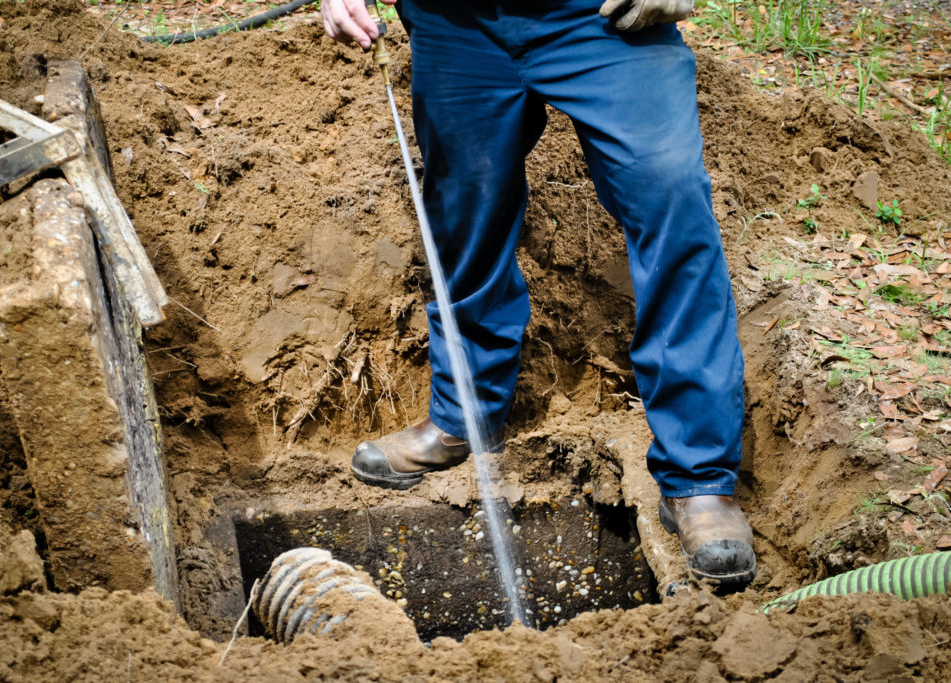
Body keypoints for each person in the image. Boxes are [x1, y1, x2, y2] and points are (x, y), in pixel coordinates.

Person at [321, 0, 756, 585]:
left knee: (671, 203)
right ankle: (464, 417)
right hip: (458, 21)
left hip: (600, 16)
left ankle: (699, 475)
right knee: (465, 213)